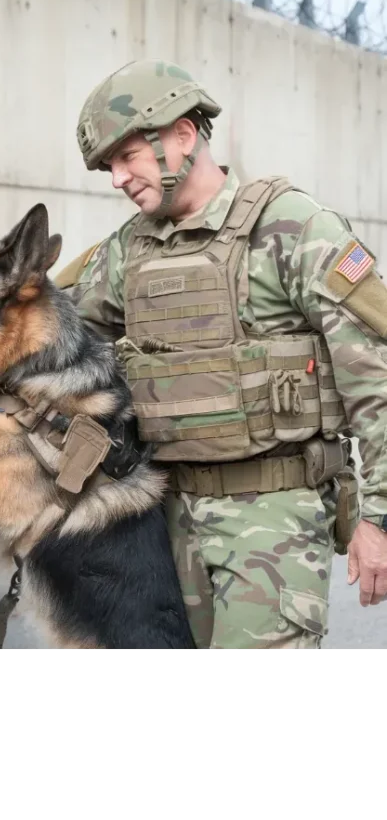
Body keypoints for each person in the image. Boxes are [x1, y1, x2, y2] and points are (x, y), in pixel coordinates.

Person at [55, 58, 387, 651]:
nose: (116, 179)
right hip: (164, 521)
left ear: (182, 134)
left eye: (126, 156)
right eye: (108, 165)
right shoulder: (129, 249)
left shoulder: (292, 228)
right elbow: (49, 324)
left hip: (273, 522)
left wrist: (379, 519)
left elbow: (377, 386)